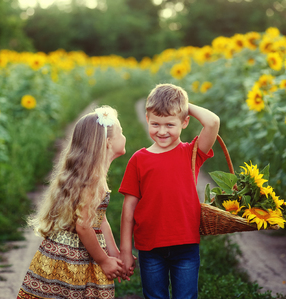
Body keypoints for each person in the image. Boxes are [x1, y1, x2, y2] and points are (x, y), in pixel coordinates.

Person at [119, 83, 220, 299]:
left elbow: (213, 122)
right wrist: (126, 251)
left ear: (185, 122)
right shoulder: (138, 159)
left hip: (186, 245)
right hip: (149, 246)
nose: (162, 131)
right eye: (155, 123)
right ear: (146, 119)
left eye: (170, 124)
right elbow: (128, 209)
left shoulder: (192, 153)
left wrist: (183, 106)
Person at [17, 106, 127, 299]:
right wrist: (103, 261)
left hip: (61, 251)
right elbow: (84, 226)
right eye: (121, 132)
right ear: (108, 142)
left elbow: (99, 218)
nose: (124, 136)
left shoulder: (92, 175)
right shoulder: (93, 181)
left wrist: (114, 253)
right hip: (74, 257)